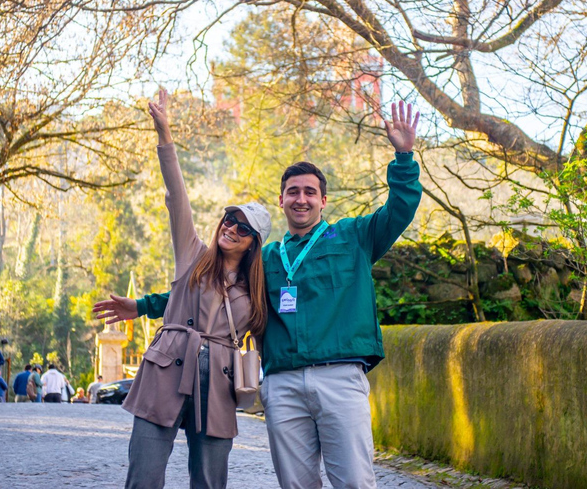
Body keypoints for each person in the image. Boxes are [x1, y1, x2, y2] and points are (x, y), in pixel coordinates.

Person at [139, 100, 422, 488]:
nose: (301, 198)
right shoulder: (264, 259)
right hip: (282, 383)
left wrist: (403, 156)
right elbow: (207, 292)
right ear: (282, 201)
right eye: (292, 192)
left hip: (339, 376)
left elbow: (400, 209)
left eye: (309, 192)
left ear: (323, 201)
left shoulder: (355, 237)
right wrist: (141, 305)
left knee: (355, 481)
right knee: (296, 484)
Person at [91, 88, 272, 489]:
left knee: (209, 481)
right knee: (144, 476)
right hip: (167, 366)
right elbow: (177, 197)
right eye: (229, 219)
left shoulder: (257, 289)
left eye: (242, 228)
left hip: (220, 382)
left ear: (253, 243)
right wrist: (165, 136)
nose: (231, 228)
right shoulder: (192, 254)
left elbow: (272, 335)